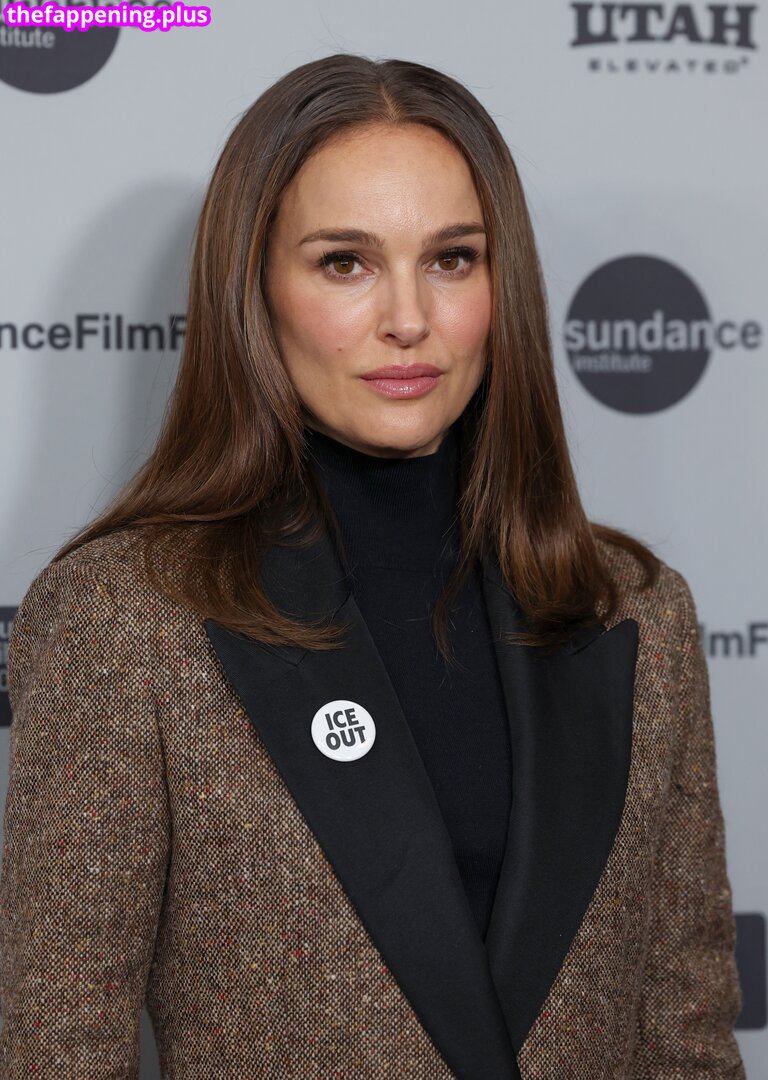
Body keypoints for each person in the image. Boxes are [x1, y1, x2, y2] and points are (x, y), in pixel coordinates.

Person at [0, 53, 745, 1080]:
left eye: (452, 259)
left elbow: (687, 1046)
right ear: (254, 287)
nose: (408, 318)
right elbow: (55, 1051)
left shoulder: (636, 613)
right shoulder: (124, 620)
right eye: (345, 262)